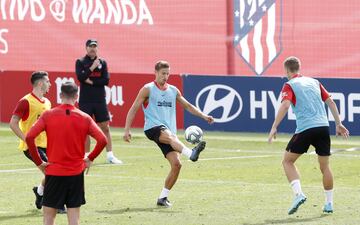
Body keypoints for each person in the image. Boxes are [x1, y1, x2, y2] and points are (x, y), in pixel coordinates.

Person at [123, 60, 214, 207]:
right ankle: (191, 154)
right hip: (153, 128)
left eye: (168, 74)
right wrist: (127, 129)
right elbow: (134, 108)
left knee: (177, 165)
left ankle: (162, 198)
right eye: (163, 73)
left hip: (169, 132)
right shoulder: (148, 89)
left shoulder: (173, 90)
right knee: (171, 137)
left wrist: (204, 116)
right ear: (156, 73)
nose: (165, 76)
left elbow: (188, 106)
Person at [268, 56, 349, 215]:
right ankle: (329, 204)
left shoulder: (289, 84)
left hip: (306, 128)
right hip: (323, 127)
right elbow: (331, 103)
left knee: (287, 161)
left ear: (287, 70)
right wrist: (338, 123)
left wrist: (274, 127)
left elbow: (285, 105)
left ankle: (298, 194)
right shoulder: (314, 82)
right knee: (325, 166)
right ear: (299, 67)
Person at [25, 82, 108, 225]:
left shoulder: (48, 115)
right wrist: (90, 158)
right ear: (76, 96)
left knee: (49, 217)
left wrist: (39, 162)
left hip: (54, 172)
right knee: (74, 218)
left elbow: (29, 137)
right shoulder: (84, 117)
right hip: (76, 173)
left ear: (60, 95)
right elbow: (102, 140)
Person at [8, 71, 59, 211]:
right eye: (48, 81)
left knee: (55, 171)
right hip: (32, 147)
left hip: (47, 144)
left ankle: (40, 191)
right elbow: (13, 123)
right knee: (53, 173)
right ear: (40, 83)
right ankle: (56, 205)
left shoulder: (47, 102)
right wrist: (27, 140)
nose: (50, 84)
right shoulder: (26, 101)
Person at [75, 38, 122, 164]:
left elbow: (105, 80)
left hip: (100, 99)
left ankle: (110, 156)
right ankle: (86, 156)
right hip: (85, 100)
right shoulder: (80, 62)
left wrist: (90, 81)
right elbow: (81, 77)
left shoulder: (103, 62)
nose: (92, 48)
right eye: (90, 46)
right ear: (86, 48)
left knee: (105, 127)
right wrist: (92, 68)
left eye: (95, 46)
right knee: (85, 129)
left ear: (97, 48)